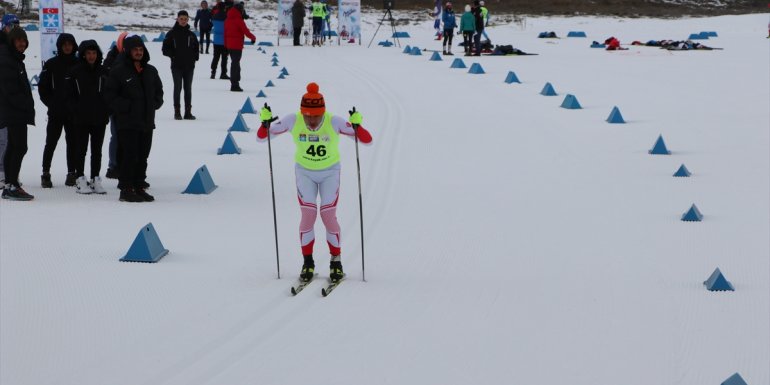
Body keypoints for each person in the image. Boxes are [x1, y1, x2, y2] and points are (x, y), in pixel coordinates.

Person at [256, 83, 373, 283]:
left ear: (323, 112)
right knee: (309, 214)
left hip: (329, 172)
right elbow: (261, 138)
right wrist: (264, 123)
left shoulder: (333, 121)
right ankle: (307, 262)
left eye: (316, 116)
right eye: (307, 116)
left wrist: (357, 125)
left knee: (328, 215)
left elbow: (367, 140)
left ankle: (336, 262)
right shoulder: (293, 120)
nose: (311, 120)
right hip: (305, 173)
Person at [103, 35, 163, 203]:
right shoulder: (119, 71)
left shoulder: (150, 71)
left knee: (143, 156)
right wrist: (125, 107)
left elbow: (159, 91)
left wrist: (154, 103)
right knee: (130, 155)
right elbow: (109, 95)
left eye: (141, 49)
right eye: (135, 50)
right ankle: (126, 188)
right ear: (128, 51)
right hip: (128, 123)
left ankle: (138, 186)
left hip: (146, 122)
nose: (138, 52)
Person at [67, 40, 110, 194]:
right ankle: (80, 177)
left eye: (94, 53)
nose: (91, 56)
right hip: (81, 118)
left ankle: (95, 178)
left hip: (100, 117)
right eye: (88, 53)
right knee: (81, 149)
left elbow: (110, 93)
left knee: (97, 150)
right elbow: (69, 95)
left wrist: (107, 109)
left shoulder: (104, 71)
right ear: (83, 55)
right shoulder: (75, 72)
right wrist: (75, 110)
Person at [39, 33, 78, 187]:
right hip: (56, 112)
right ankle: (45, 173)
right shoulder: (51, 64)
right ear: (60, 46)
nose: (67, 47)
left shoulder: (78, 64)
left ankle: (71, 173)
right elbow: (43, 88)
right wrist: (51, 103)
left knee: (73, 143)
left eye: (70, 44)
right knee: (51, 143)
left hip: (73, 112)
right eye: (64, 44)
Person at [0, 27, 35, 200]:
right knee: (20, 146)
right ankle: (12, 185)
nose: (22, 44)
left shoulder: (13, 58)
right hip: (14, 111)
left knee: (14, 146)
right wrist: (25, 104)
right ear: (12, 41)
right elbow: (10, 90)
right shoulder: (7, 59)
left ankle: (9, 184)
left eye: (24, 40)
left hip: (14, 110)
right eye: (18, 40)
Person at [162, 10, 199, 120]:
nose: (183, 21)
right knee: (177, 88)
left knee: (188, 89)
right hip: (176, 66)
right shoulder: (171, 34)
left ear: (188, 20)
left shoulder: (191, 35)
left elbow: (196, 48)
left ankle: (188, 112)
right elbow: (165, 49)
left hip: (189, 67)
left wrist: (194, 57)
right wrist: (173, 56)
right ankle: (177, 112)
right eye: (181, 19)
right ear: (177, 19)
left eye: (185, 19)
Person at [102, 31, 128, 180]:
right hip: (115, 105)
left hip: (128, 104)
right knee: (116, 135)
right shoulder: (112, 59)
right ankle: (113, 166)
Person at [0, 14, 21, 188]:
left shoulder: (13, 46)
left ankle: (9, 173)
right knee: (3, 137)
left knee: (10, 138)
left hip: (8, 99)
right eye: (11, 26)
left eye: (17, 25)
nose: (14, 28)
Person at [224, 2, 256, 92]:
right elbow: (246, 31)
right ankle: (234, 84)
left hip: (230, 45)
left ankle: (235, 82)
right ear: (240, 11)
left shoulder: (227, 19)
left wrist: (226, 44)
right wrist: (253, 38)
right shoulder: (239, 20)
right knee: (235, 64)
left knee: (235, 63)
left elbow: (225, 33)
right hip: (237, 45)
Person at [210, 0, 230, 79]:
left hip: (216, 40)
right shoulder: (227, 17)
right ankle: (223, 74)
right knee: (224, 58)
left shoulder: (214, 16)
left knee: (215, 57)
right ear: (224, 8)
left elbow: (211, 25)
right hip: (224, 41)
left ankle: (213, 72)